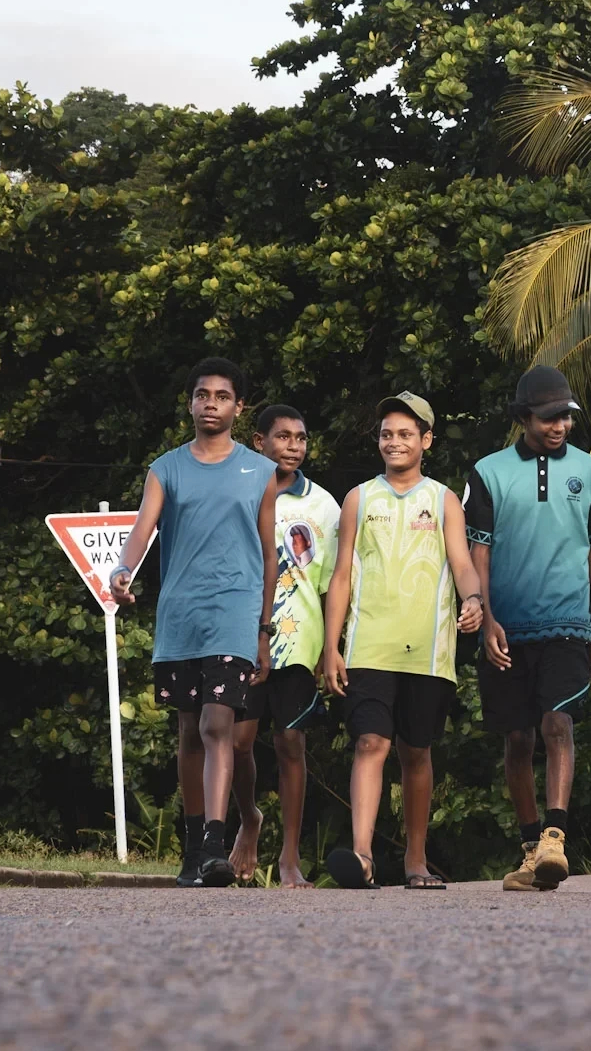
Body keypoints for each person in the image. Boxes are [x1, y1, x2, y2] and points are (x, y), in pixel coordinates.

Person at [110, 357, 282, 888]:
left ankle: (214, 842)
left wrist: (263, 629)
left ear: (239, 407)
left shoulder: (261, 472)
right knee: (189, 732)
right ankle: (192, 849)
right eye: (202, 395)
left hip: (235, 612)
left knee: (216, 726)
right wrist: (121, 569)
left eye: (222, 396)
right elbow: (143, 529)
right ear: (190, 403)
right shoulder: (166, 469)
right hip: (181, 615)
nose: (211, 404)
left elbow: (269, 556)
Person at [319, 391, 485, 890]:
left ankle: (416, 861)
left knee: (416, 751)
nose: (395, 442)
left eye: (406, 434)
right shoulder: (358, 498)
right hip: (369, 643)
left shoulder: (443, 499)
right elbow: (342, 575)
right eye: (387, 434)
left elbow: (462, 562)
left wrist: (474, 599)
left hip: (428, 648)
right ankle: (363, 856)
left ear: (426, 440)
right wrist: (331, 646)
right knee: (370, 742)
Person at [469, 366, 591, 891]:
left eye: (566, 417)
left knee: (558, 725)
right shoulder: (487, 473)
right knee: (517, 739)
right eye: (549, 417)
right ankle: (532, 849)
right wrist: (487, 619)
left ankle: (555, 838)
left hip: (568, 623)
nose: (560, 426)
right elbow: (479, 552)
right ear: (524, 418)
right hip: (507, 628)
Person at [221, 404, 340, 887]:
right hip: (241, 637)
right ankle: (249, 817)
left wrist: (331, 648)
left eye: (301, 438)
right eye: (283, 436)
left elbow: (334, 585)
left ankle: (290, 857)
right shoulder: (237, 492)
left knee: (291, 742)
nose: (293, 446)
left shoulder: (324, 506)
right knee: (238, 742)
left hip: (299, 642)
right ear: (259, 441)